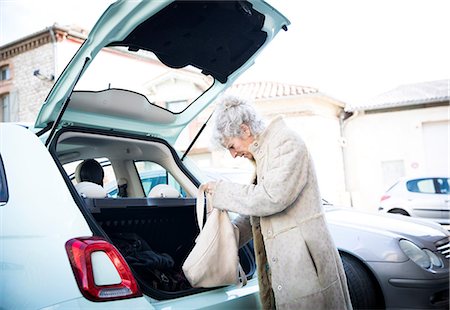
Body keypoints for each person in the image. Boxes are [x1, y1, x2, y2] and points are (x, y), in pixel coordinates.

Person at [204, 95, 352, 310]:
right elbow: (257, 211)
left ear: (245, 130)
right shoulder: (266, 152)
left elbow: (270, 198)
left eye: (232, 146)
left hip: (305, 263)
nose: (234, 155)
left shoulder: (286, 142)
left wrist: (222, 191)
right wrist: (226, 237)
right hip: (292, 265)